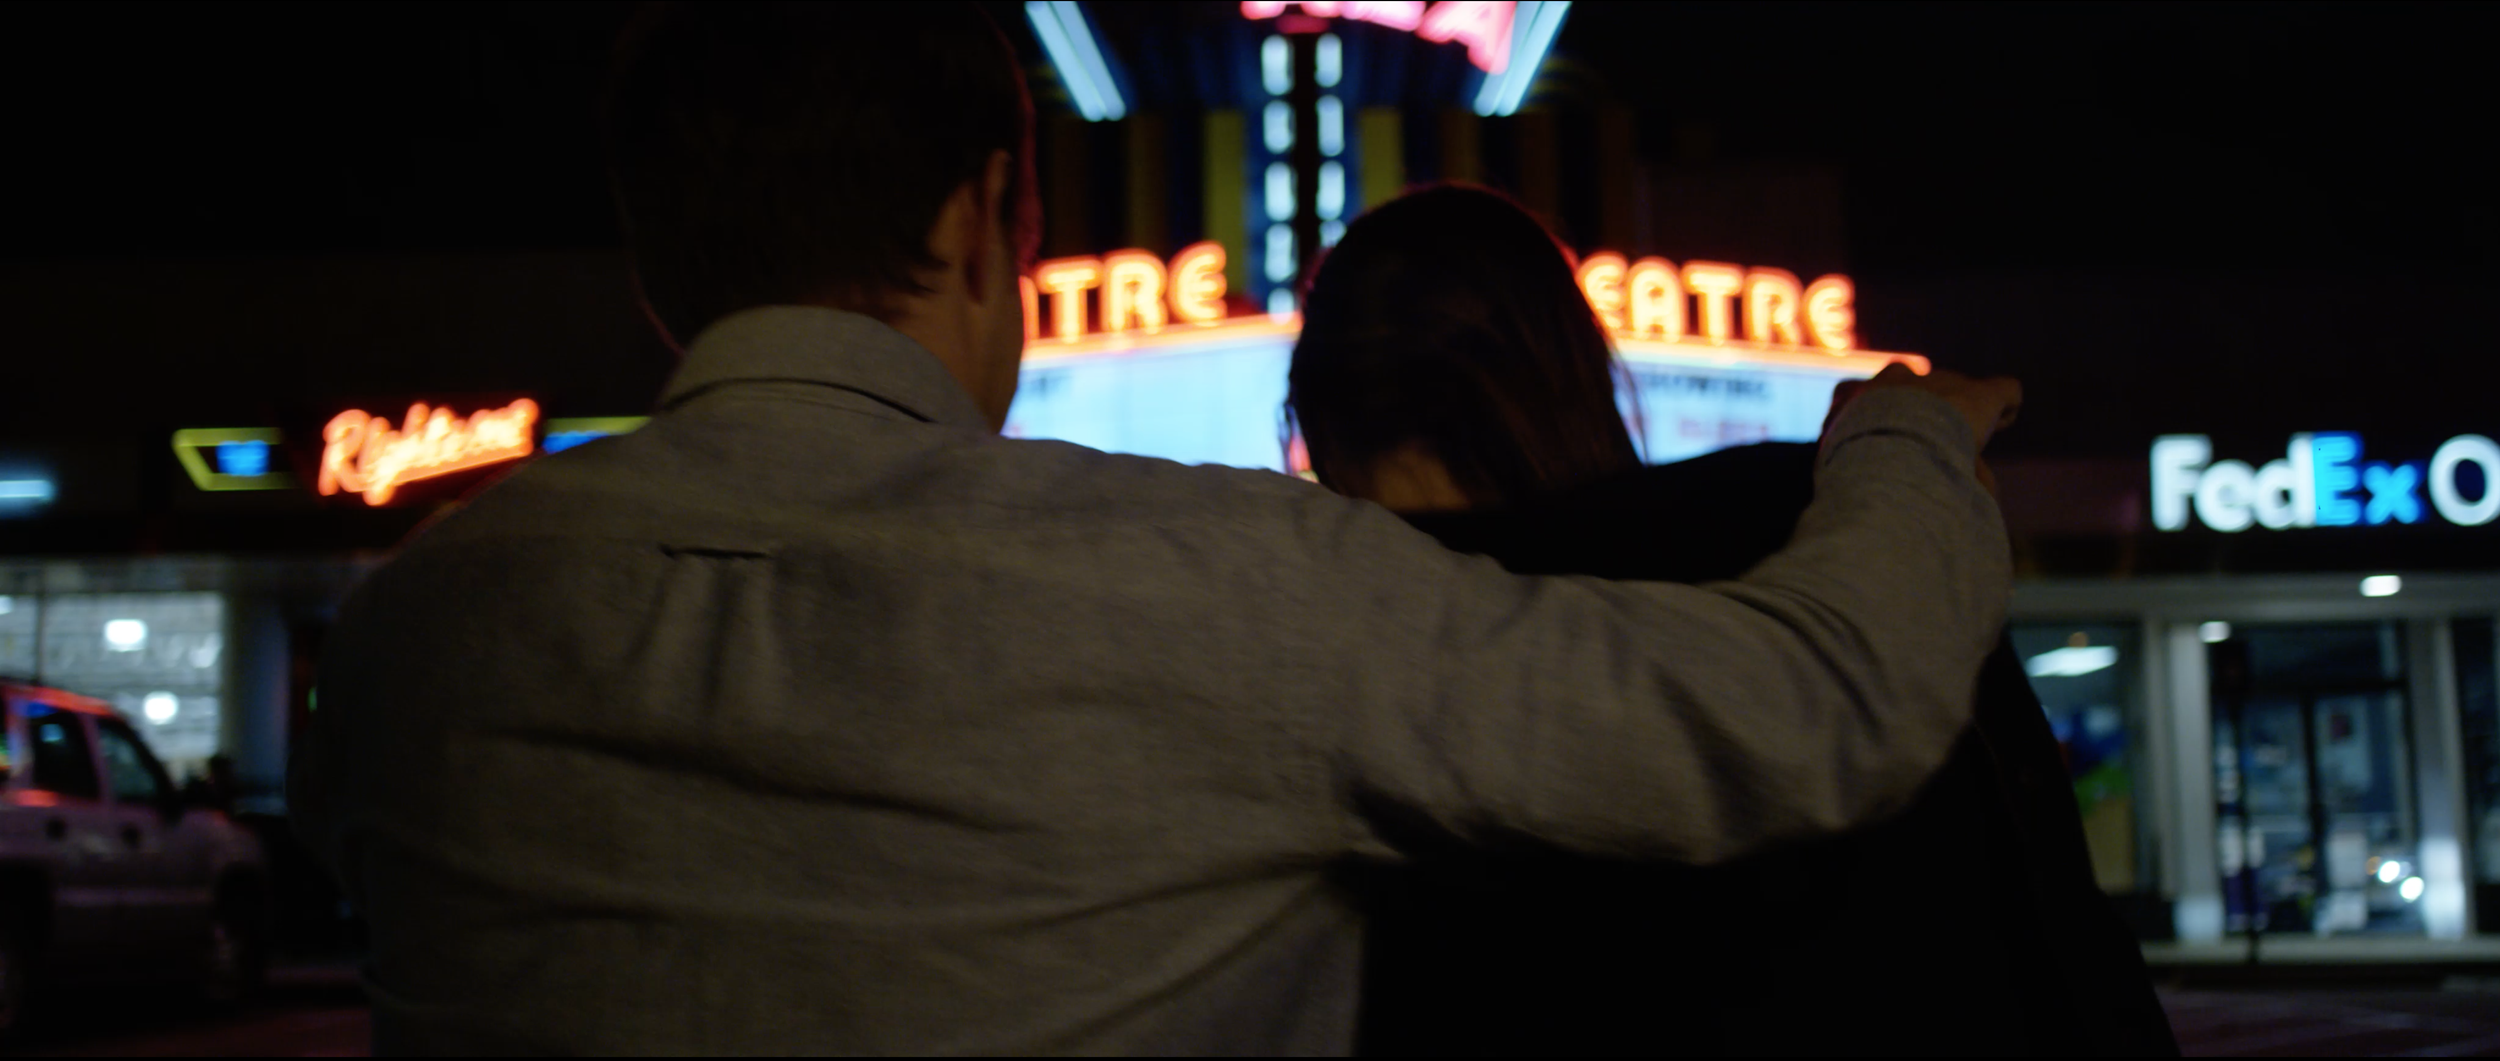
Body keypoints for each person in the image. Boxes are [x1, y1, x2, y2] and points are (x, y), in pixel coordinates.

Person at [288, 4, 2023, 1053]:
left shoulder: (408, 640)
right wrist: (1897, 445)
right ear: (990, 217)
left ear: (658, 257)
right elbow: (1818, 710)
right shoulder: (1215, 580)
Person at [1287, 186, 2174, 1056]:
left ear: (1320, 424)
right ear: (1566, 370)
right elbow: (2038, 904)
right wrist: (1903, 453)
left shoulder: (1314, 646)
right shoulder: (1824, 526)